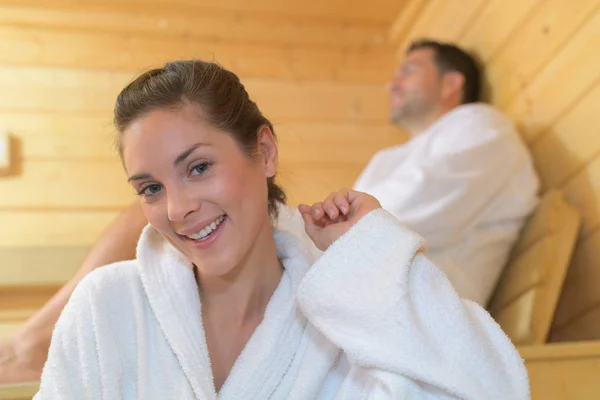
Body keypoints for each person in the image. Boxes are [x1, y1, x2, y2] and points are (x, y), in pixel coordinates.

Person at [0, 39, 539, 384]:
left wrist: (363, 247)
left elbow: (392, 226)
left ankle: (27, 344)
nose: (178, 207)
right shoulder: (108, 308)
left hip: (400, 302)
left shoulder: (481, 129)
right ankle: (28, 343)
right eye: (149, 186)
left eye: (197, 167)